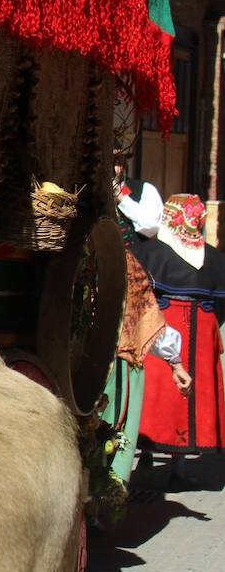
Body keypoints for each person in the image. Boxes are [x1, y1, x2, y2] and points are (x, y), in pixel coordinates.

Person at [102, 172, 191, 485]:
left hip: (121, 363)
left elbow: (145, 315)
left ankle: (105, 498)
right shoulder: (78, 263)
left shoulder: (129, 269)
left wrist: (175, 361)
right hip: (92, 369)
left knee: (116, 434)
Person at [130, 194, 225, 461]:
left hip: (162, 322)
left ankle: (152, 458)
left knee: (159, 395)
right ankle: (176, 464)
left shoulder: (149, 252)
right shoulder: (213, 258)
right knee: (172, 395)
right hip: (200, 327)